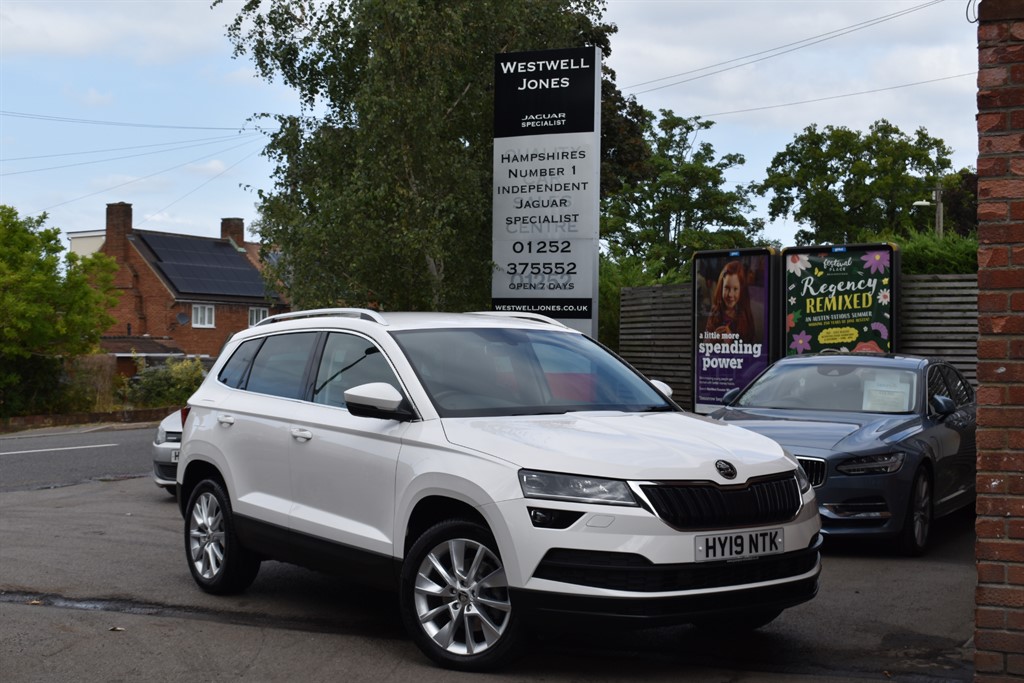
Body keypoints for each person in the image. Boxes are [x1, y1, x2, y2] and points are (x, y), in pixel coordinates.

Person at [704, 260, 756, 343]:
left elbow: (752, 345)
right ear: (721, 287)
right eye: (727, 288)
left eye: (735, 289)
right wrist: (713, 338)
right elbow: (704, 343)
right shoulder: (715, 311)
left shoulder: (745, 315)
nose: (730, 294)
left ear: (741, 290)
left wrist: (731, 342)